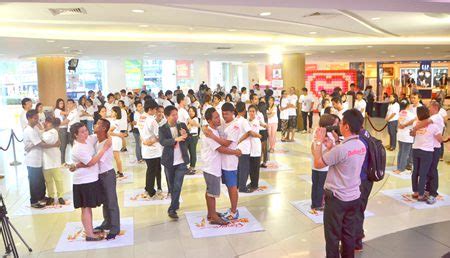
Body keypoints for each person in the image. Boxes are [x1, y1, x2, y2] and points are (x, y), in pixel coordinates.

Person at [311, 109, 366, 258]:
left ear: (346, 127)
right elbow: (344, 160)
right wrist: (332, 146)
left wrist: (318, 141)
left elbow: (318, 163)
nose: (339, 125)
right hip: (354, 197)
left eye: (341, 122)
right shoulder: (360, 145)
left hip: (337, 200)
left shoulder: (342, 149)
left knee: (332, 237)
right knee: (348, 236)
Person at [69, 122, 111, 241]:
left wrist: (77, 165)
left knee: (88, 207)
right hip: (83, 182)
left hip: (91, 179)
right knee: (86, 208)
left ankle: (89, 230)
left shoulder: (88, 139)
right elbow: (91, 162)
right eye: (82, 132)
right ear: (75, 135)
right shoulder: (77, 148)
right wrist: (104, 149)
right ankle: (89, 234)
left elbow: (100, 134)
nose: (86, 133)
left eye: (86, 130)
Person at [202, 107, 241, 225]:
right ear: (209, 120)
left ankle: (214, 213)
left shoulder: (216, 129)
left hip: (221, 165)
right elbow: (221, 148)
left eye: (220, 115)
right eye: (217, 117)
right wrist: (236, 152)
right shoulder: (210, 132)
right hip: (211, 166)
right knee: (212, 192)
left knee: (214, 190)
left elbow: (227, 143)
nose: (220, 118)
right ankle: (213, 216)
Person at [23, 110, 60, 209]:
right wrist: (54, 145)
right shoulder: (28, 130)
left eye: (37, 118)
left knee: (40, 180)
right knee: (34, 181)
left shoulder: (35, 128)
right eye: (35, 118)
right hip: (32, 159)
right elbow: (40, 143)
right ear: (29, 118)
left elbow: (42, 137)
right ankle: (34, 201)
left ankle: (41, 197)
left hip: (39, 158)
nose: (37, 120)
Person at [159, 105, 190, 219]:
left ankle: (172, 209)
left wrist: (185, 136)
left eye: (176, 114)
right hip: (169, 161)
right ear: (166, 116)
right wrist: (175, 139)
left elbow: (189, 139)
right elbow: (162, 141)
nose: (176, 117)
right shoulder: (162, 128)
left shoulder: (181, 125)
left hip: (181, 161)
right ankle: (175, 204)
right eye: (173, 115)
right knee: (172, 187)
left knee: (177, 185)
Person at [410, 106, 445, 202]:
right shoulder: (432, 125)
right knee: (424, 173)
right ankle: (422, 194)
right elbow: (440, 139)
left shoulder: (416, 123)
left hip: (416, 149)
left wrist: (415, 129)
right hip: (427, 151)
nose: (430, 110)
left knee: (416, 171)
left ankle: (417, 192)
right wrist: (446, 139)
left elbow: (413, 133)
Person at [310, 114, 337, 211]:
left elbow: (313, 148)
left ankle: (314, 203)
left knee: (315, 184)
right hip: (324, 165)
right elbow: (331, 150)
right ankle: (320, 204)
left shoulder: (317, 131)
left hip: (315, 164)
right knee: (322, 185)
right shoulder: (328, 134)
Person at [142, 100, 163, 198]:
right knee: (153, 171)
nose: (156, 111)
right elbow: (158, 135)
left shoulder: (143, 118)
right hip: (153, 151)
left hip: (146, 150)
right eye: (155, 109)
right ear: (150, 109)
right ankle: (151, 190)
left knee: (150, 170)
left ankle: (148, 188)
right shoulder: (152, 120)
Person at [42, 117, 65, 205]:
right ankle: (51, 196)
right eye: (46, 122)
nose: (46, 124)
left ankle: (60, 196)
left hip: (54, 159)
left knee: (58, 179)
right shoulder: (44, 132)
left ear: (51, 124)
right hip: (45, 159)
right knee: (48, 180)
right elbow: (43, 142)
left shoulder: (53, 131)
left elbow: (46, 140)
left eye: (48, 122)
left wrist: (42, 138)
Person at [234, 101, 254, 193]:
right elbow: (249, 132)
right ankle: (243, 187)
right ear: (244, 110)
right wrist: (241, 140)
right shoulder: (244, 121)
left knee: (239, 167)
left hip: (237, 147)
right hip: (244, 148)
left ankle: (238, 185)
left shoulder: (235, 119)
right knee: (244, 168)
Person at [394, 104, 416, 174]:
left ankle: (399, 167)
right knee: (405, 153)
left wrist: (402, 125)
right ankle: (401, 168)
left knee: (401, 151)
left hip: (400, 135)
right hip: (407, 136)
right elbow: (415, 121)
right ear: (408, 106)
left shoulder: (401, 113)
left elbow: (398, 122)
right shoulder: (411, 115)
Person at [247, 105, 263, 191]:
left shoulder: (256, 122)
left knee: (255, 167)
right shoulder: (247, 121)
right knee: (251, 167)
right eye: (250, 111)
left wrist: (255, 134)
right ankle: (252, 182)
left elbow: (251, 133)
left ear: (256, 113)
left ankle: (255, 184)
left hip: (256, 146)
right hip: (249, 147)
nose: (251, 113)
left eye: (253, 111)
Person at [109, 106, 125, 178]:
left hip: (116, 140)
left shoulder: (117, 121)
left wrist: (117, 134)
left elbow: (109, 131)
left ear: (116, 112)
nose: (111, 113)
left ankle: (120, 172)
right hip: (113, 139)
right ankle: (119, 171)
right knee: (115, 157)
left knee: (117, 157)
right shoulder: (112, 120)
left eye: (112, 111)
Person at [54, 98, 69, 164]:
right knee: (62, 147)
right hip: (61, 129)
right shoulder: (57, 110)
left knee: (64, 146)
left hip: (65, 129)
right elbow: (68, 113)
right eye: (60, 103)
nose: (62, 104)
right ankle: (62, 162)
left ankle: (62, 162)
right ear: (57, 104)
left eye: (62, 103)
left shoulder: (61, 111)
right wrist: (71, 108)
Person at [186, 106, 200, 174]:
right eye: (190, 111)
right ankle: (189, 167)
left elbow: (188, 126)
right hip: (188, 137)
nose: (191, 112)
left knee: (192, 152)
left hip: (193, 137)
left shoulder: (196, 119)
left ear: (195, 112)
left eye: (192, 111)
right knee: (187, 152)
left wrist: (188, 124)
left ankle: (192, 167)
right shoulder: (188, 119)